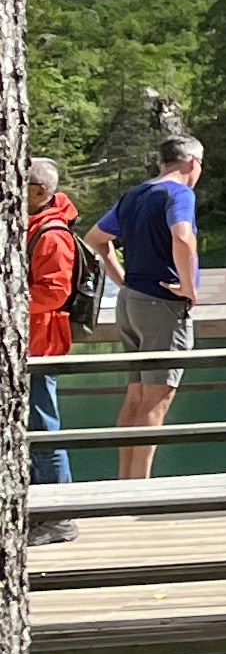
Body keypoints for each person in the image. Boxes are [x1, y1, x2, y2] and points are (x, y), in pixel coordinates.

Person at [99, 135, 205, 484]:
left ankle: (123, 485)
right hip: (162, 306)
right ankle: (140, 490)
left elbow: (97, 239)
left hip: (130, 303)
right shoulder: (179, 193)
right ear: (191, 163)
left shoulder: (135, 194)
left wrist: (124, 279)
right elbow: (183, 236)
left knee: (136, 397)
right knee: (157, 400)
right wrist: (188, 288)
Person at [23, 158, 79, 535]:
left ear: (39, 192)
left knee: (43, 426)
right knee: (31, 425)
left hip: (41, 342)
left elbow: (55, 292)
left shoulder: (52, 234)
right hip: (28, 341)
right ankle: (38, 508)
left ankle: (59, 514)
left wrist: (11, 300)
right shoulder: (33, 226)